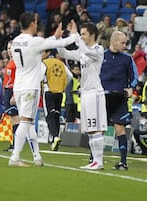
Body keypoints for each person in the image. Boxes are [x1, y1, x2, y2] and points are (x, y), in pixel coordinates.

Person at [8, 12, 79, 167]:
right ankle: (15, 157)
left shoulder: (16, 41)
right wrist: (73, 35)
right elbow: (56, 44)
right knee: (25, 122)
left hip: (18, 86)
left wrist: (55, 37)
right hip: (30, 87)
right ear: (32, 24)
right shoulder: (33, 42)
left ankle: (37, 156)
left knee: (28, 121)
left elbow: (47, 43)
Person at [57, 22, 107, 170]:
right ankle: (94, 160)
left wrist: (75, 36)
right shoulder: (83, 52)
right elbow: (64, 53)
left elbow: (84, 49)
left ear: (92, 35)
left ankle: (99, 161)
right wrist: (59, 40)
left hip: (95, 93)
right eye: (81, 34)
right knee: (90, 129)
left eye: (84, 34)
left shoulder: (98, 49)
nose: (82, 36)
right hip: (85, 93)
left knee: (96, 128)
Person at [100, 30, 139, 170]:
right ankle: (95, 158)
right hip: (102, 97)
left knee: (119, 128)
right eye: (122, 43)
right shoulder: (101, 55)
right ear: (114, 42)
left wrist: (131, 88)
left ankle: (123, 162)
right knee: (99, 129)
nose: (125, 46)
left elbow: (134, 77)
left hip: (119, 98)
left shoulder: (127, 59)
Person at [42, 49, 72, 151]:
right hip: (59, 93)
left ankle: (54, 137)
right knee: (56, 115)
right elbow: (70, 76)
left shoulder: (44, 63)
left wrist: (43, 85)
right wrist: (62, 86)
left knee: (49, 116)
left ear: (47, 53)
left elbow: (39, 77)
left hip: (48, 91)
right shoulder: (61, 64)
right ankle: (56, 138)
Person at [2, 41, 18, 151]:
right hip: (7, 90)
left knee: (15, 118)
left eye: (11, 48)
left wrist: (14, 95)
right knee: (11, 118)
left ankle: (15, 145)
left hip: (12, 91)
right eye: (8, 48)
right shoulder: (10, 62)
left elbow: (17, 80)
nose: (9, 50)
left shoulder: (17, 63)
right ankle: (12, 144)